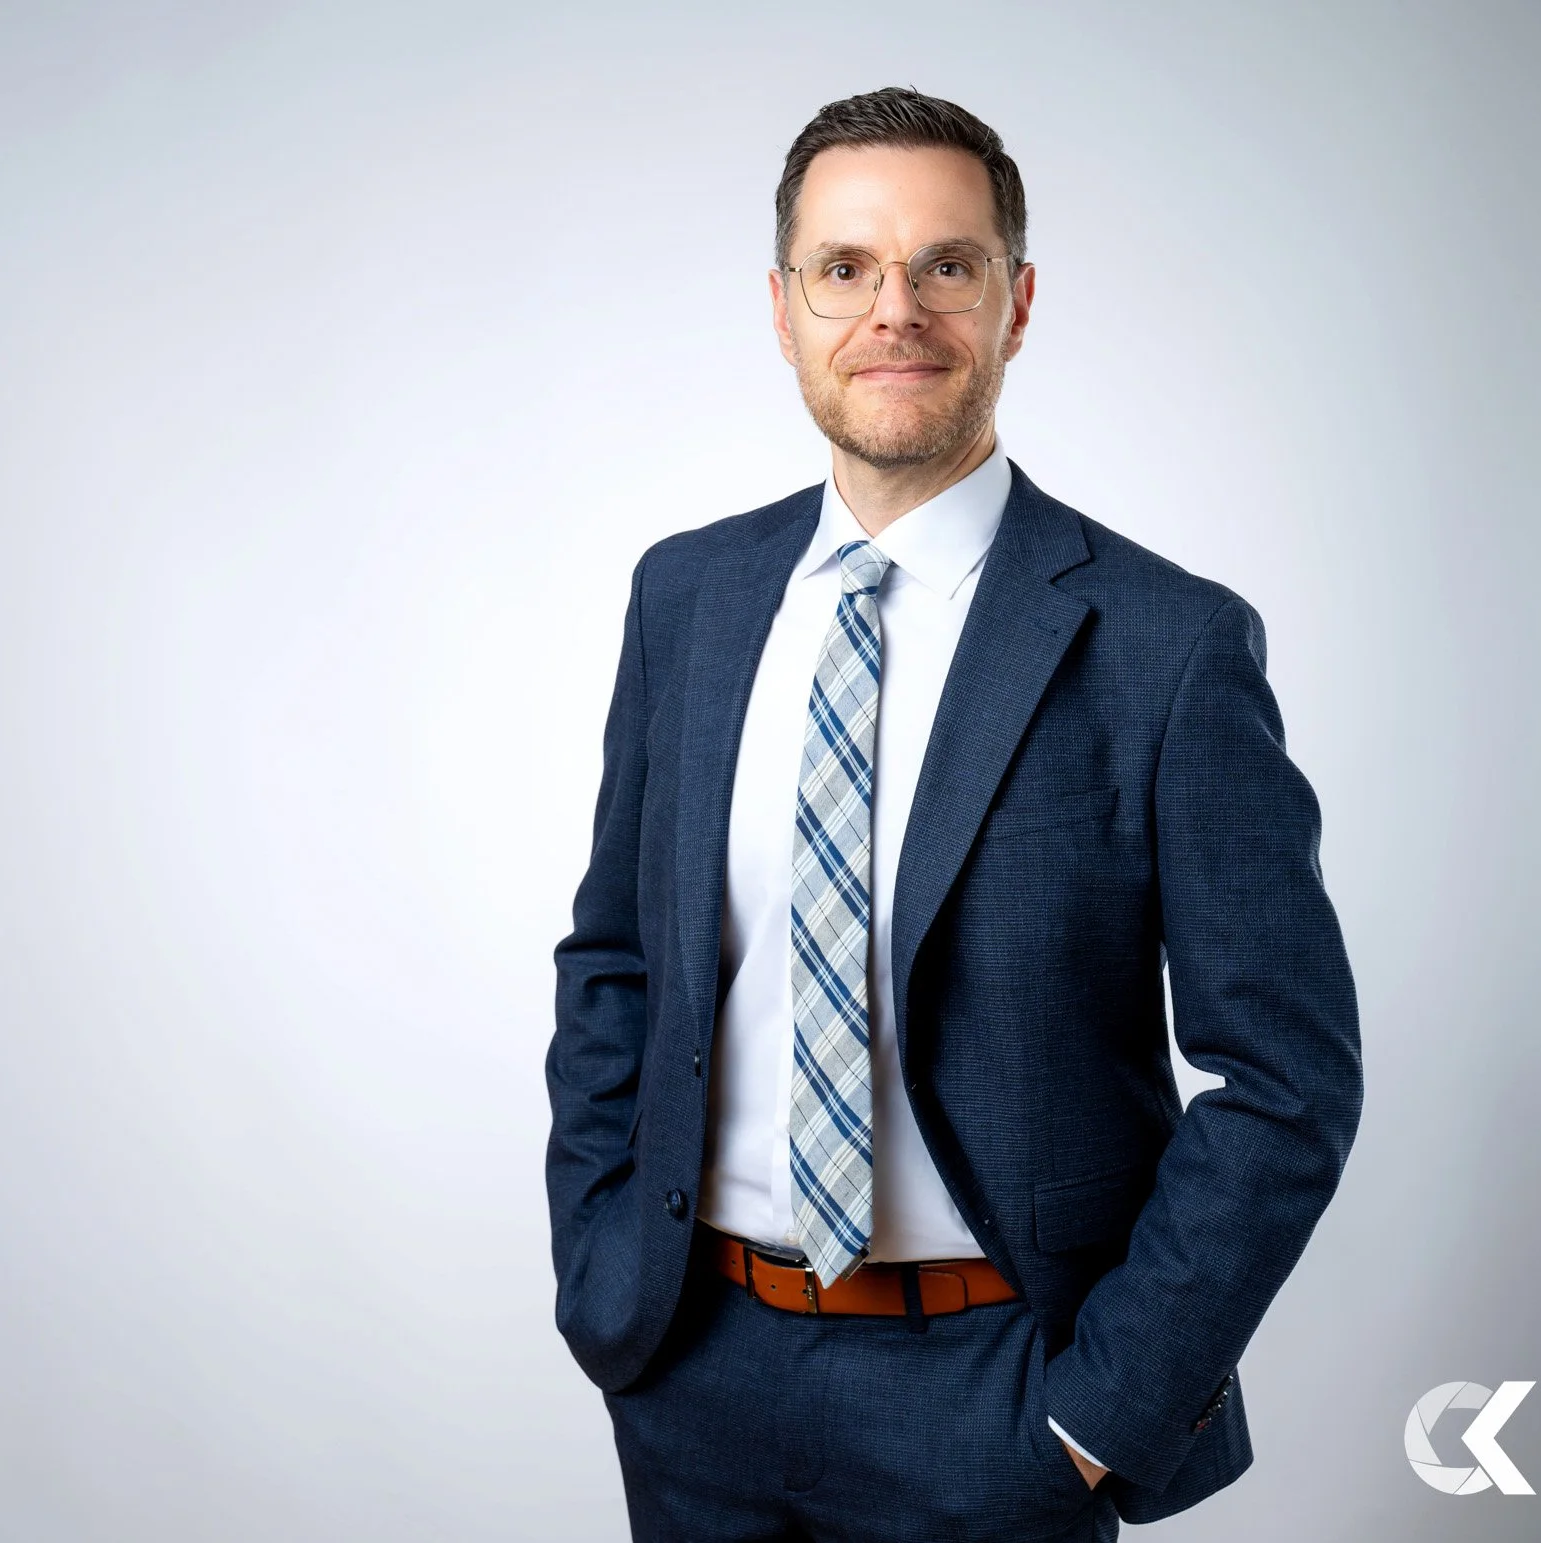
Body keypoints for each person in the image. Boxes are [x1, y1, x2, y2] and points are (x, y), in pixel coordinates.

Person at [543, 86, 1363, 1542]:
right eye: (845, 268)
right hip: (696, 1371)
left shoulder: (1167, 646)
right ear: (784, 307)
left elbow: (1289, 1081)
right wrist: (607, 1269)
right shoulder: (689, 598)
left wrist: (1098, 1418)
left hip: (999, 1401)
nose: (894, 311)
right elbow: (614, 957)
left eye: (948, 264)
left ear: (1017, 301)